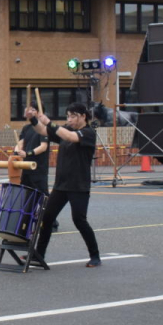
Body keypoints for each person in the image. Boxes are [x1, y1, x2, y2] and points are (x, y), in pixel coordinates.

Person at [33, 102, 101, 267]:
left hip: (78, 186)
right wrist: (34, 119)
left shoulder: (88, 133)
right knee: (47, 218)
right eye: (68, 116)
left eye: (73, 116)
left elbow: (71, 137)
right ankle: (38, 254)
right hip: (61, 185)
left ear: (83, 116)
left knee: (79, 220)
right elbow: (44, 131)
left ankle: (95, 256)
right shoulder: (66, 131)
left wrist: (49, 121)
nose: (69, 120)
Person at [15, 104, 51, 196]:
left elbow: (43, 147)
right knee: (26, 196)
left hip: (38, 168)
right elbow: (20, 143)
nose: (29, 112)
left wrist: (27, 153)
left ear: (39, 113)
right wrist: (16, 153)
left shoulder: (43, 128)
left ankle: (45, 211)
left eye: (33, 110)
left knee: (42, 196)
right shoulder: (26, 128)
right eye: (28, 110)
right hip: (26, 168)